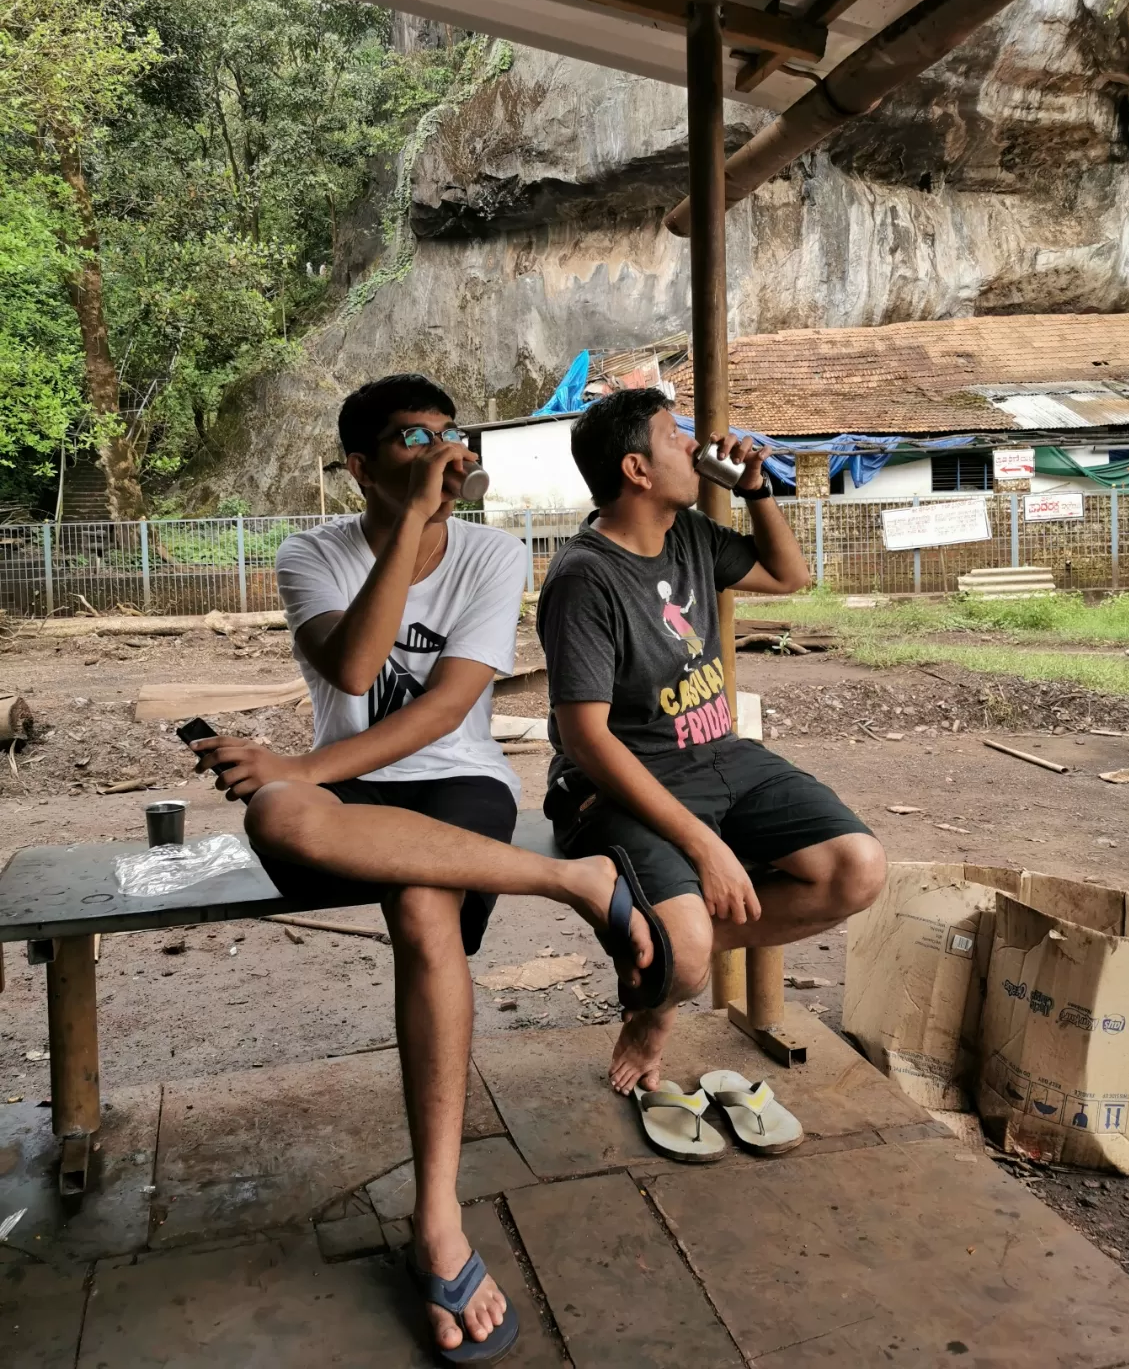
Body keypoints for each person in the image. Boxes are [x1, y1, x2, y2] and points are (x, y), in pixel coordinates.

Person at [191, 373, 654, 1364]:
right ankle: (577, 883)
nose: (443, 453)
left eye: (451, 435)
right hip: (351, 796)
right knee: (278, 817)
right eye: (412, 438)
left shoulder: (489, 551)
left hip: (457, 784)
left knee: (423, 909)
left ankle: (438, 1220)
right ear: (360, 465)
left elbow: (444, 712)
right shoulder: (309, 554)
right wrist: (406, 526)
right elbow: (355, 672)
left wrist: (301, 764)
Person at [536, 387, 887, 1098]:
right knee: (689, 962)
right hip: (620, 781)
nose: (695, 448)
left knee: (857, 869)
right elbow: (586, 741)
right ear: (637, 469)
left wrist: (757, 490)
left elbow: (790, 576)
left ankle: (661, 958)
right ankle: (664, 979)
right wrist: (704, 846)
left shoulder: (690, 535)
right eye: (675, 437)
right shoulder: (585, 578)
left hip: (719, 754)